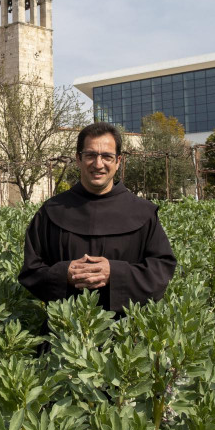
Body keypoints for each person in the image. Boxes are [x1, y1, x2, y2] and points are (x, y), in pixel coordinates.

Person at [19, 122, 176, 314]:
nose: (98, 164)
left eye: (107, 157)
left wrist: (116, 274)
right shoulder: (51, 211)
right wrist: (63, 274)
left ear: (118, 161)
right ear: (78, 159)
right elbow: (31, 270)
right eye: (90, 155)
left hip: (126, 335)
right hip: (64, 335)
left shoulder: (143, 213)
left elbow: (161, 270)